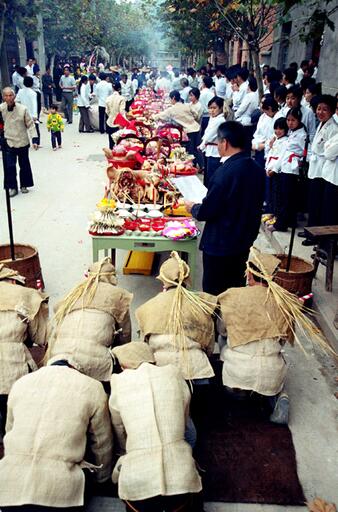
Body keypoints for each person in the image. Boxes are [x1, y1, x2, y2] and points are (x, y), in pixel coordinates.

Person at [0, 356, 113, 510]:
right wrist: (103, 478)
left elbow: (9, 430)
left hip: (9, 487)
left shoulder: (21, 383)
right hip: (61, 492)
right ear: (77, 369)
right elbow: (102, 442)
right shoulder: (92, 387)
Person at [109, 342, 203, 512]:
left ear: (123, 366)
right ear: (153, 360)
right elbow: (184, 419)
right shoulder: (173, 373)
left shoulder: (119, 382)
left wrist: (126, 452)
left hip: (138, 484)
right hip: (182, 480)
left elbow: (119, 428)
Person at [136, 252, 217, 427]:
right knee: (196, 409)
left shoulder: (147, 307)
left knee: (170, 408)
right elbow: (209, 341)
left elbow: (144, 347)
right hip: (197, 373)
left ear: (162, 281)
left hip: (162, 372)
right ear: (188, 279)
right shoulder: (202, 304)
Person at [185, 121, 265, 295]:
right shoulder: (256, 169)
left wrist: (193, 208)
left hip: (220, 245)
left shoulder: (224, 173)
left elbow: (208, 210)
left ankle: (214, 320)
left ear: (225, 143)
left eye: (219, 141)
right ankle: (231, 320)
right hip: (243, 241)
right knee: (235, 290)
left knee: (214, 293)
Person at [47, 258, 132, 386]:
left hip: (60, 354)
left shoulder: (74, 293)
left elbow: (57, 314)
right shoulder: (118, 295)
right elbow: (125, 335)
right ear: (113, 278)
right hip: (95, 362)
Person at [0, 264, 48, 436]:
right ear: (13, 281)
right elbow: (41, 337)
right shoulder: (25, 295)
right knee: (17, 421)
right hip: (15, 367)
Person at [300, 95, 338, 245]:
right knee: (313, 202)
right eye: (319, 109)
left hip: (325, 170)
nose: (321, 112)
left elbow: (329, 152)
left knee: (321, 205)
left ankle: (316, 235)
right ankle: (311, 229)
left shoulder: (333, 127)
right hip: (316, 166)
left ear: (331, 111)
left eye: (325, 109)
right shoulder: (321, 124)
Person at [268, 108, 307, 232]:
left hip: (292, 168)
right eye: (288, 120)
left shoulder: (301, 134)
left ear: (299, 120)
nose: (290, 123)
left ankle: (281, 224)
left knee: (287, 198)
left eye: (293, 120)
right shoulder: (292, 132)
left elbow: (304, 151)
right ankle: (290, 221)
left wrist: (300, 159)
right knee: (286, 197)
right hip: (286, 166)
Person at [0, 87, 38, 197]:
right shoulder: (1, 109)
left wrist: (34, 139)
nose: (8, 98)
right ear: (3, 97)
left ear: (14, 96)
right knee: (9, 166)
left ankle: (24, 185)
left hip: (22, 140)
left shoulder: (23, 109)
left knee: (24, 164)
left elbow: (30, 124)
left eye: (10, 95)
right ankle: (12, 187)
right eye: (6, 96)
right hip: (8, 141)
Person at [153, 90, 201, 162]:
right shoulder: (186, 105)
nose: (170, 101)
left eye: (170, 99)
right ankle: (201, 166)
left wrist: (153, 117)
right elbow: (196, 114)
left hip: (188, 130)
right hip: (196, 128)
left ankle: (193, 166)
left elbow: (162, 116)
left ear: (173, 98)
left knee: (191, 151)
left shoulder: (173, 109)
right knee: (197, 148)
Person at [263, 117, 289, 225]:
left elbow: (281, 157)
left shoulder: (286, 142)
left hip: (277, 171)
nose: (277, 131)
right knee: (271, 194)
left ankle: (277, 215)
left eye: (280, 129)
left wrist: (274, 169)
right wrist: (267, 167)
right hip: (270, 168)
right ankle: (272, 212)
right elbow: (270, 155)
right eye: (276, 129)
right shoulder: (276, 140)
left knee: (277, 195)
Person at [199, 96, 225, 186]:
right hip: (209, 149)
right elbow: (206, 133)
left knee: (212, 176)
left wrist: (202, 145)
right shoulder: (213, 118)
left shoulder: (220, 120)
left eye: (214, 108)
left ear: (221, 108)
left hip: (215, 151)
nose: (212, 111)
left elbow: (210, 136)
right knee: (208, 175)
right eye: (210, 108)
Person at [234, 75, 259, 151]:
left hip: (244, 121)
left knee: (243, 143)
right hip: (250, 121)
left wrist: (235, 115)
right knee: (248, 142)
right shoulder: (256, 95)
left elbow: (242, 108)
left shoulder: (249, 96)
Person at [105, 82, 126, 149]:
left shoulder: (108, 98)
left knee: (111, 141)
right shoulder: (121, 98)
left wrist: (111, 116)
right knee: (118, 141)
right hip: (118, 123)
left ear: (113, 88)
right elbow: (122, 112)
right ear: (120, 89)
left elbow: (107, 111)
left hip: (110, 122)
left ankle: (111, 153)